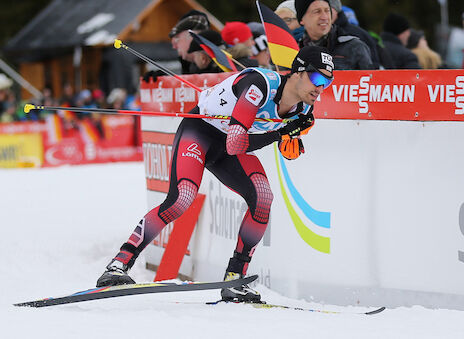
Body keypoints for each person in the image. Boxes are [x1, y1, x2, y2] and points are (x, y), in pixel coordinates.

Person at [96, 46, 335, 303]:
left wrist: (291, 140)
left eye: (328, 81)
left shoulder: (304, 110)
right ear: (298, 72)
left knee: (263, 198)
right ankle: (118, 264)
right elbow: (235, 144)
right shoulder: (260, 85)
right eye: (318, 78)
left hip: (231, 146)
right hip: (201, 133)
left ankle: (235, 277)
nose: (321, 87)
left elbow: (287, 151)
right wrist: (280, 134)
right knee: (182, 199)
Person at [295, 0, 375, 70]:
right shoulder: (294, 49)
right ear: (302, 19)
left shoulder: (354, 47)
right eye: (317, 11)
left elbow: (372, 83)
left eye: (327, 11)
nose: (324, 17)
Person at [328, 0, 381, 69]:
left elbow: (372, 69)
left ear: (337, 10)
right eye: (317, 11)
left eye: (328, 10)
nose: (324, 15)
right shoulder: (314, 35)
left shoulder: (358, 34)